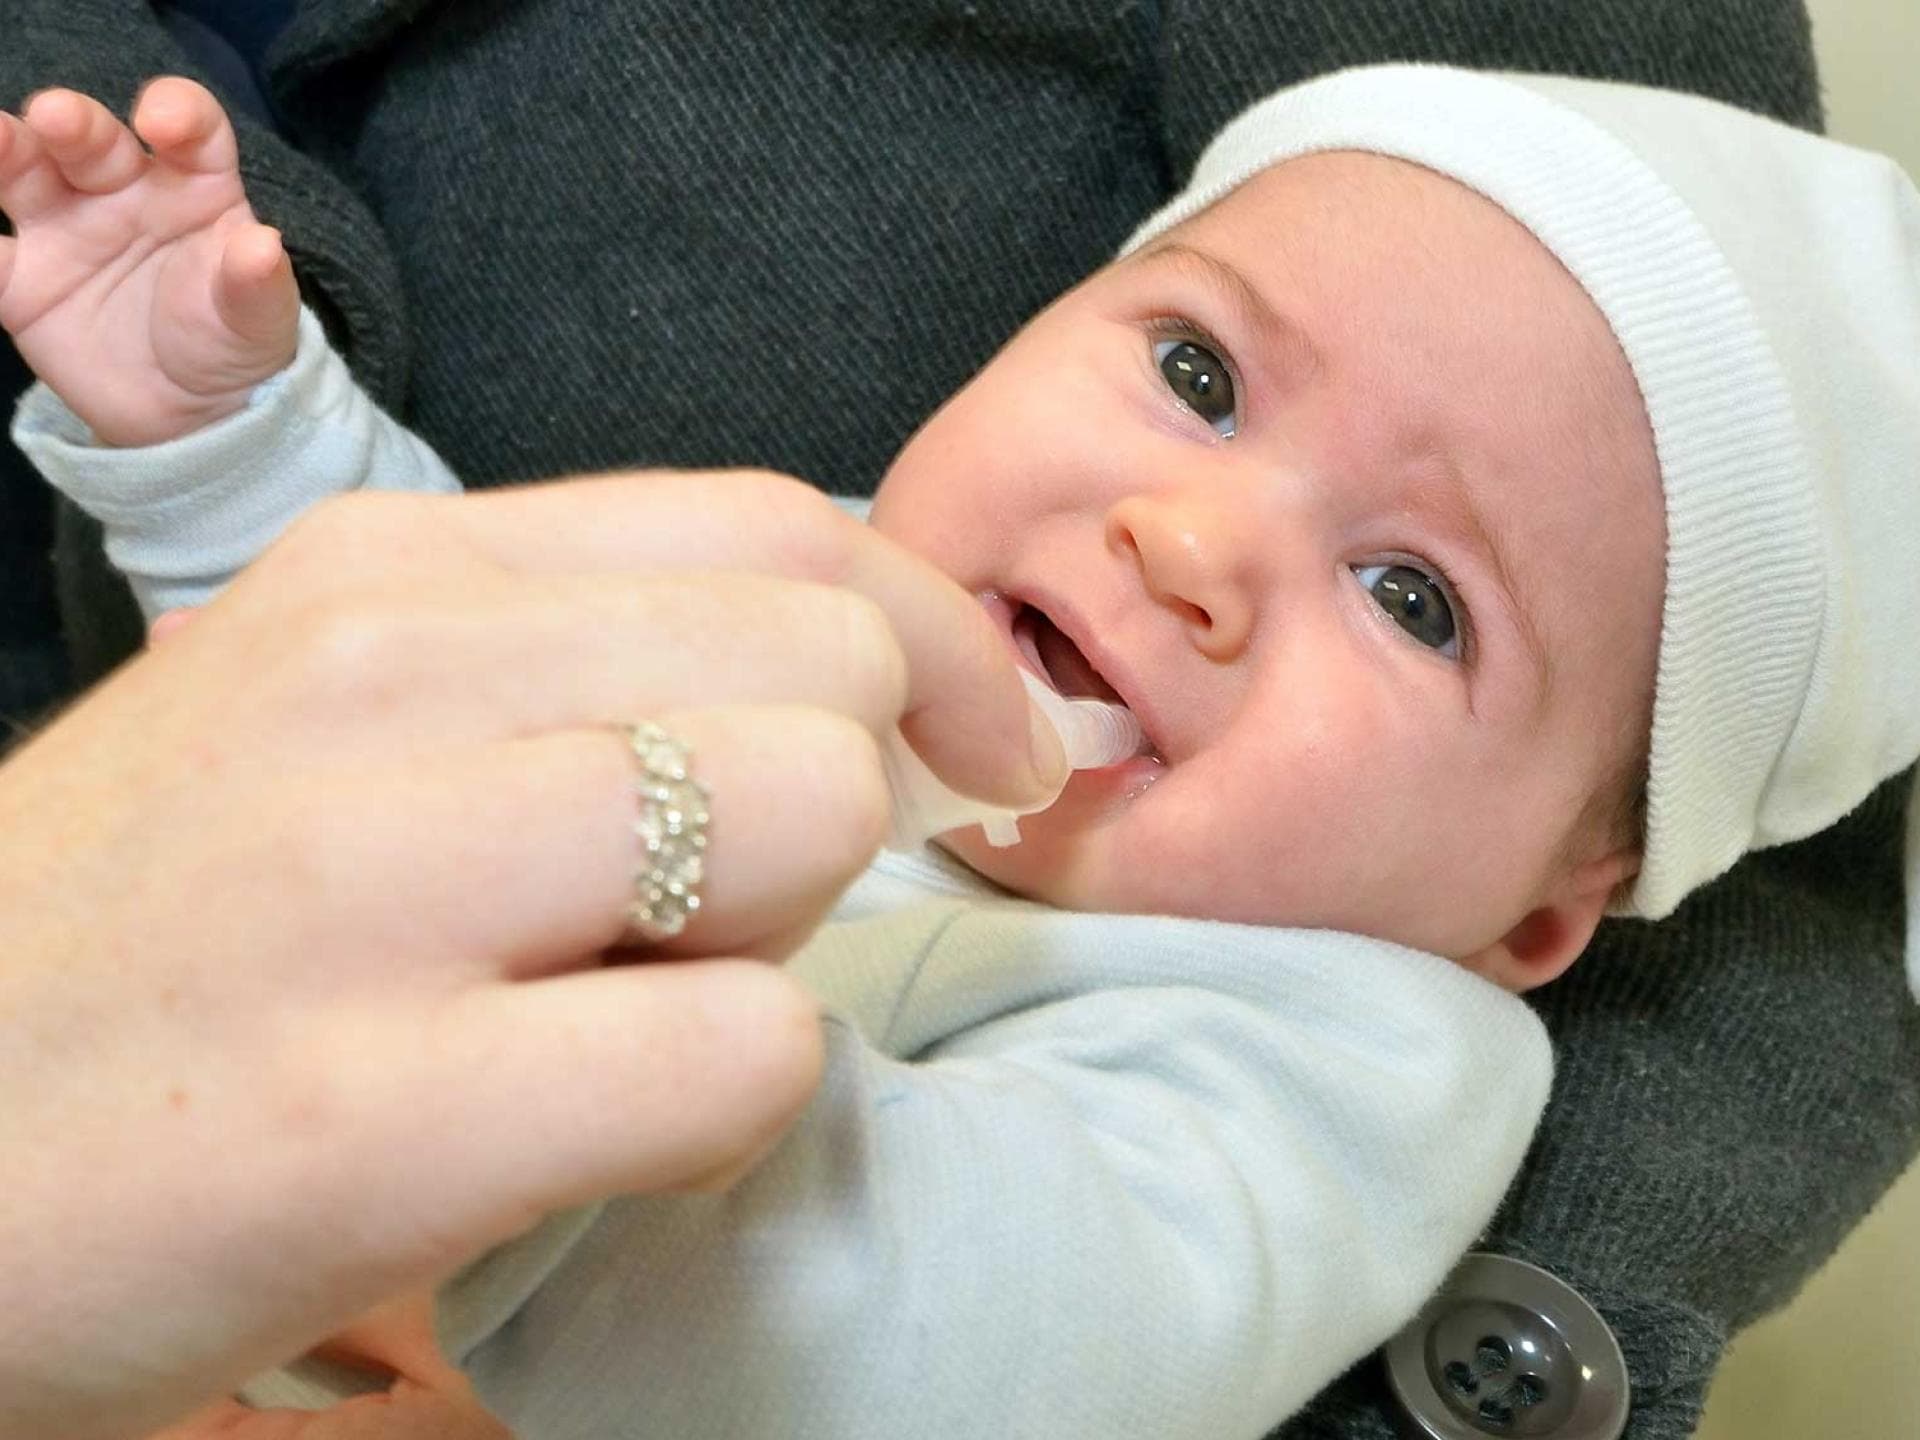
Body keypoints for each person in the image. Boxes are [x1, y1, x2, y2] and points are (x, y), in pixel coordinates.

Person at [3, 6, 1916, 1440]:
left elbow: (909, 1346)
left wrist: (484, 1130)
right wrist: (234, 445)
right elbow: (397, 691)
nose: (1190, 546)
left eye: (1415, 599)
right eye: (1197, 372)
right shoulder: (832, 583)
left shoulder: (1322, 1064)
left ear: (1533, 921)